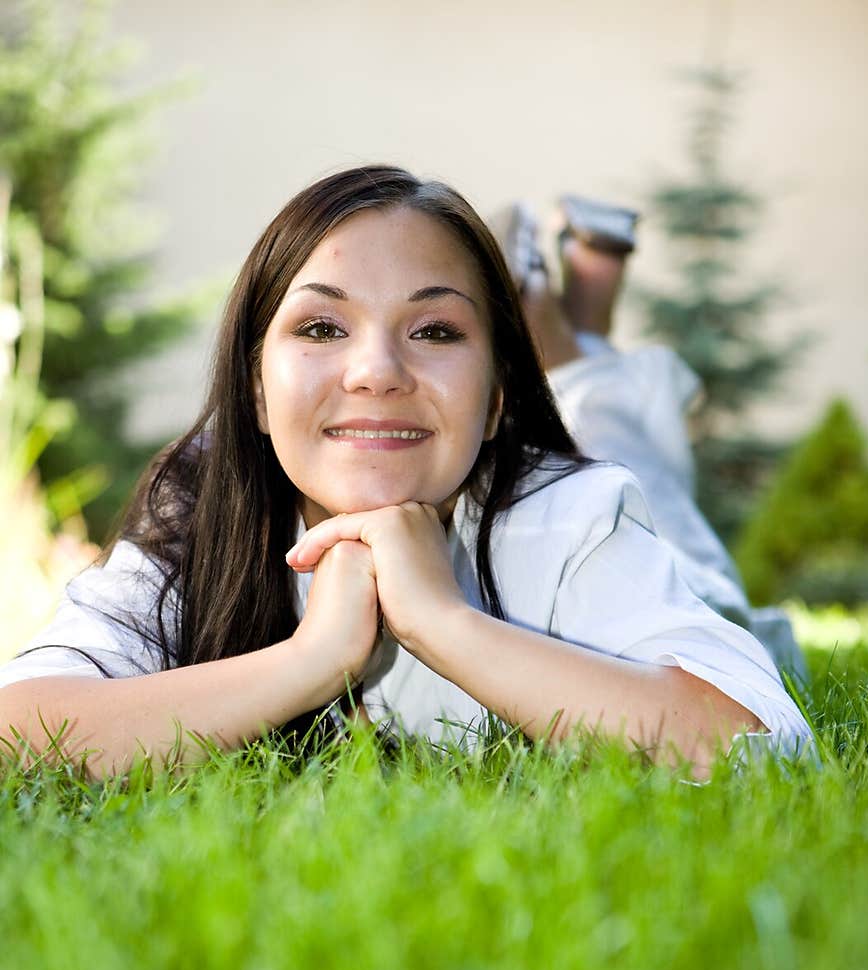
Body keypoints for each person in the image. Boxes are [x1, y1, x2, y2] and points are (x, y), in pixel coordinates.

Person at [0, 165, 811, 781]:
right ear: (253, 388)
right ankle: (575, 329)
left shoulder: (574, 514)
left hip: (617, 513)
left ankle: (573, 344)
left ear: (496, 400)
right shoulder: (203, 506)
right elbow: (19, 732)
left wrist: (442, 621)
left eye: (433, 330)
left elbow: (757, 746)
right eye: (322, 325)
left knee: (632, 453)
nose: (375, 370)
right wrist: (311, 660)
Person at [493, 198, 805, 676]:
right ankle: (568, 326)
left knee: (616, 469)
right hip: (692, 614)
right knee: (614, 453)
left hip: (675, 621)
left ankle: (572, 323)